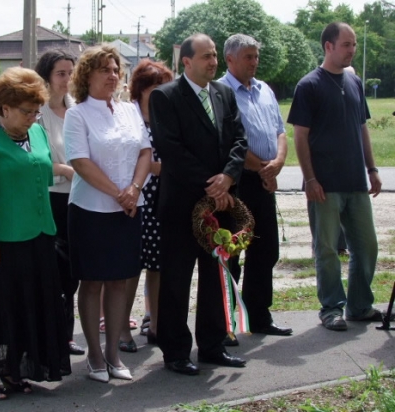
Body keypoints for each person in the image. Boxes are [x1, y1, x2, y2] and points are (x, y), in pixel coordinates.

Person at [0, 67, 71, 400]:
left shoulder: (36, 133)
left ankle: (14, 369)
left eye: (36, 111)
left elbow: (41, 171)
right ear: (4, 107)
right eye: (26, 111)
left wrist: (68, 170)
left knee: (27, 307)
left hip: (37, 235)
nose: (33, 118)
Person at [149, 33, 247, 376]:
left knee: (216, 277)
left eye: (215, 55)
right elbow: (171, 149)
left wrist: (228, 177)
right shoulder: (165, 96)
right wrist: (213, 185)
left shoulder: (224, 93)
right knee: (176, 281)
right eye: (206, 56)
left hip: (221, 205)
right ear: (186, 61)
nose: (214, 62)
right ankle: (175, 351)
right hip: (182, 207)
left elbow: (239, 140)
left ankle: (212, 344)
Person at [64, 45, 151, 383]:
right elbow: (80, 161)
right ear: (87, 76)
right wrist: (119, 193)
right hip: (91, 210)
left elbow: (145, 152)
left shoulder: (130, 110)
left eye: (116, 69)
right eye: (104, 69)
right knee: (92, 282)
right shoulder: (78, 114)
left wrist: (135, 189)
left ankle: (114, 353)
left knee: (120, 281)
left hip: (129, 209)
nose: (113, 75)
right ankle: (95, 355)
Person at [288, 22, 382, 331]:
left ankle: (360, 306)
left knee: (367, 246)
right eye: (346, 44)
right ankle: (331, 308)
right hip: (324, 185)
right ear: (328, 46)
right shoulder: (309, 85)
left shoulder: (354, 82)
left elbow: (362, 128)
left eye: (354, 44)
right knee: (327, 249)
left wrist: (372, 169)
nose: (352, 50)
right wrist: (310, 179)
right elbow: (300, 136)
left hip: (356, 182)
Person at [218, 34, 293, 343]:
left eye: (256, 56)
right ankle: (226, 323)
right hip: (238, 181)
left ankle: (259, 315)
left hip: (265, 179)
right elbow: (228, 141)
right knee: (232, 252)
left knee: (266, 249)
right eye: (248, 57)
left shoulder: (264, 90)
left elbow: (280, 132)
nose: (254, 62)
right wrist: (263, 169)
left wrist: (277, 163)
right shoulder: (221, 92)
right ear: (230, 59)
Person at [34, 49, 85, 356]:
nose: (67, 79)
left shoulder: (77, 108)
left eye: (70, 73)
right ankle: (48, 337)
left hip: (78, 198)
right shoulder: (37, 113)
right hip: (50, 198)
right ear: (47, 77)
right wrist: (64, 170)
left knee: (71, 274)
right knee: (51, 271)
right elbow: (34, 160)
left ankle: (66, 336)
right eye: (60, 74)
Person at [121, 60, 173, 349]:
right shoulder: (128, 116)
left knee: (158, 265)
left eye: (165, 87)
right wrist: (154, 167)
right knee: (131, 267)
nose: (161, 93)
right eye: (156, 87)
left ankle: (155, 324)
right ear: (140, 89)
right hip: (135, 198)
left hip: (162, 199)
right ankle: (122, 329)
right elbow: (124, 156)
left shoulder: (167, 116)